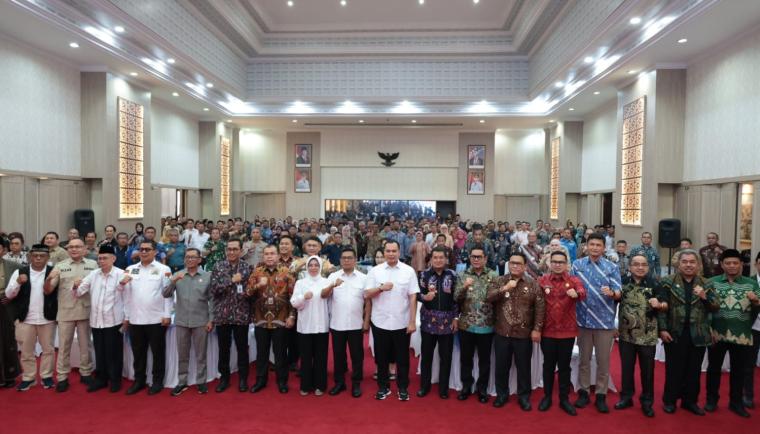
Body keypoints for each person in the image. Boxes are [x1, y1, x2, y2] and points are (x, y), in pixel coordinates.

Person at [658, 249, 720, 415]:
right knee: (674, 369)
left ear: (698, 265)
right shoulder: (667, 281)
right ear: (678, 264)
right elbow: (662, 309)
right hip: (674, 332)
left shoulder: (706, 283)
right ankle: (670, 401)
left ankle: (690, 401)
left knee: (694, 370)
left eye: (692, 262)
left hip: (698, 333)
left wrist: (704, 296)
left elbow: (716, 306)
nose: (688, 265)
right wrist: (662, 329)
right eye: (684, 262)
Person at [705, 249, 760, 417]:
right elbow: (705, 308)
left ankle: (736, 403)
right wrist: (709, 329)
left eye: (735, 263)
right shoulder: (712, 282)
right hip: (717, 333)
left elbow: (757, 307)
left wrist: (755, 301)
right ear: (722, 265)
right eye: (728, 263)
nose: (732, 266)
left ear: (741, 264)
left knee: (739, 371)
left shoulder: (751, 283)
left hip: (742, 334)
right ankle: (711, 400)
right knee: (713, 369)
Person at [487, 252, 544, 410]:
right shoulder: (499, 280)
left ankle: (524, 397)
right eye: (512, 263)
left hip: (524, 334)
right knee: (501, 366)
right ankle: (502, 395)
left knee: (523, 367)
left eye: (518, 263)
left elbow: (540, 308)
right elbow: (489, 297)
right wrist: (505, 288)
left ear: (525, 266)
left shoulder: (533, 284)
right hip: (502, 332)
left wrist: (537, 329)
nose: (515, 266)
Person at [571, 233, 622, 413]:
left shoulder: (612, 267)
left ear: (604, 248)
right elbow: (571, 286)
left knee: (603, 362)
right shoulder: (577, 265)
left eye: (598, 245)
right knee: (583, 360)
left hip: (604, 322)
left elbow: (619, 291)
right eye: (591, 244)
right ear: (586, 246)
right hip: (583, 320)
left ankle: (601, 395)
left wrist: (612, 293)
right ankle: (583, 392)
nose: (594, 248)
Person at [364, 240, 418, 401]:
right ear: (384, 252)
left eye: (394, 251)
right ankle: (383, 387)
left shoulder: (408, 271)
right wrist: (381, 288)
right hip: (380, 322)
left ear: (399, 252)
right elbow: (367, 294)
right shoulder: (375, 271)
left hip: (402, 322)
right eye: (388, 251)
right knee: (381, 358)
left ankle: (403, 388)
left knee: (402, 359)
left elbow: (413, 296)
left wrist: (412, 321)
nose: (391, 254)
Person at [615, 253, 667, 417]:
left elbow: (666, 305)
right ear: (630, 267)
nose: (640, 267)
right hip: (626, 335)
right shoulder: (622, 282)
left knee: (647, 372)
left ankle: (647, 401)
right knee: (627, 369)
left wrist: (660, 304)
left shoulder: (655, 283)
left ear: (648, 267)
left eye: (643, 265)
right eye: (636, 264)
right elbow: (613, 303)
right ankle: (626, 397)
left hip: (648, 335)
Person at [43, 238, 97, 392]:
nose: (74, 249)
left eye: (77, 247)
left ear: (84, 249)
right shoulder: (60, 266)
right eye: (71, 247)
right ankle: (62, 377)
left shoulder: (93, 265)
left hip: (85, 310)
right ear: (67, 249)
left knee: (86, 345)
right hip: (65, 311)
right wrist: (49, 278)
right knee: (64, 347)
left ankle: (86, 372)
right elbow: (48, 290)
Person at [122, 240, 173, 395]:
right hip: (135, 319)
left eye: (147, 249)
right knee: (138, 353)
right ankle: (139, 381)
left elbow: (168, 294)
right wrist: (127, 316)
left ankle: (157, 381)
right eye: (141, 249)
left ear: (155, 252)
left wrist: (167, 315)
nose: (143, 252)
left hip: (156, 319)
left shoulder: (164, 269)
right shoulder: (130, 269)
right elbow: (126, 295)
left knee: (158, 353)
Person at [73, 245, 127, 393]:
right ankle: (101, 379)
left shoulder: (121, 274)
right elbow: (78, 293)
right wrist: (75, 285)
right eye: (99, 258)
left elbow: (129, 298)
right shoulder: (93, 274)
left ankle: (115, 380)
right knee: (100, 352)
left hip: (114, 321)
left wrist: (127, 318)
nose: (101, 261)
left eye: (104, 258)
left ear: (113, 259)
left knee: (114, 353)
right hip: (96, 321)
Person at [537, 251, 585, 416]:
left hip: (567, 332)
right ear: (550, 263)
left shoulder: (573, 280)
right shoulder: (542, 280)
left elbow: (582, 292)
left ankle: (564, 399)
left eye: (561, 262)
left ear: (566, 264)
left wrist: (577, 293)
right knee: (548, 366)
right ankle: (547, 397)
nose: (557, 265)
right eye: (555, 262)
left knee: (564, 367)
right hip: (547, 331)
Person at [4, 244, 56, 391]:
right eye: (35, 255)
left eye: (42, 256)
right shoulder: (20, 272)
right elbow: (8, 294)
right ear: (30, 256)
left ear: (48, 257)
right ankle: (28, 378)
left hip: (47, 317)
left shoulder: (53, 272)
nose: (38, 258)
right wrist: (18, 282)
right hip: (25, 318)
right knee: (26, 351)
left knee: (48, 350)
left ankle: (46, 376)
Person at [163, 248, 213, 396]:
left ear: (199, 260)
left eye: (193, 257)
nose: (190, 259)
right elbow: (165, 294)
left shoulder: (207, 276)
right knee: (182, 354)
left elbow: (212, 300)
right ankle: (182, 382)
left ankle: (201, 381)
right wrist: (173, 281)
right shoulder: (178, 275)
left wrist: (211, 319)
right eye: (187, 257)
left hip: (201, 321)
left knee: (201, 354)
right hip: (181, 321)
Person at [248, 244, 296, 394]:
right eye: (267, 254)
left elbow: (293, 296)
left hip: (281, 320)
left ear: (278, 256)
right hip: (261, 320)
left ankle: (282, 381)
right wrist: (257, 285)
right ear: (263, 256)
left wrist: (292, 316)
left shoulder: (287, 272)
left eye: (272, 253)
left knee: (280, 353)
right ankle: (261, 381)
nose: (269, 256)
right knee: (261, 353)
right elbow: (247, 293)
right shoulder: (256, 272)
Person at [454, 245, 498, 403]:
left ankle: (482, 389)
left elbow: (497, 298)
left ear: (485, 258)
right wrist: (464, 287)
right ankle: (466, 386)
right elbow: (456, 298)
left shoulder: (493, 275)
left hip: (486, 325)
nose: (476, 259)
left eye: (479, 257)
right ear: (470, 258)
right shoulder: (462, 275)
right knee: (466, 359)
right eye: (473, 256)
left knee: (484, 360)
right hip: (466, 325)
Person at [323, 246, 369, 397]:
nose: (347, 260)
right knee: (338, 355)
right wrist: (332, 286)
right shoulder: (333, 276)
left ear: (355, 260)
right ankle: (339, 382)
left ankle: (356, 383)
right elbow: (323, 295)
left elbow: (368, 301)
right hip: (337, 323)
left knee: (357, 356)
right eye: (344, 258)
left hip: (356, 324)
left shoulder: (363, 278)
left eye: (350, 258)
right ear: (340, 260)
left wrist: (366, 321)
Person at [209, 238, 253, 393]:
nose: (231, 252)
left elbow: (251, 292)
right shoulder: (218, 266)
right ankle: (224, 378)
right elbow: (214, 290)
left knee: (242, 348)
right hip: (223, 315)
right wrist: (231, 281)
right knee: (224, 349)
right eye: (229, 249)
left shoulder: (247, 267)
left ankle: (243, 379)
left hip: (241, 314)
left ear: (241, 251)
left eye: (235, 249)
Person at [417, 247, 459, 399]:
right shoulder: (424, 275)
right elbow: (416, 294)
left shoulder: (453, 275)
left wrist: (456, 318)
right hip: (428, 321)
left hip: (447, 322)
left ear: (446, 259)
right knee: (427, 356)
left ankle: (443, 388)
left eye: (441, 257)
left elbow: (457, 299)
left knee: (446, 357)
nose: (438, 260)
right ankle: (424, 386)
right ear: (431, 259)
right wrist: (424, 297)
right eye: (435, 257)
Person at [291, 256, 330, 396]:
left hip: (321, 325)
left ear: (320, 267)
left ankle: (320, 385)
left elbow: (330, 303)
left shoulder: (326, 282)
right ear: (307, 267)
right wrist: (303, 297)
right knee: (306, 358)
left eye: (316, 265)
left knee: (321, 357)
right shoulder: (300, 283)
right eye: (311, 265)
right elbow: (294, 302)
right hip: (305, 326)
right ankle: (305, 385)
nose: (313, 268)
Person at [0, 239, 22, 387]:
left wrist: (10, 296)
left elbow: (21, 286)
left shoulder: (13, 266)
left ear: (3, 250)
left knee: (7, 341)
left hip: (5, 306)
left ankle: (9, 376)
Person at [743, 251, 760, 409]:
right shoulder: (748, 283)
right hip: (754, 328)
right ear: (756, 264)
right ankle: (748, 395)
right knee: (749, 364)